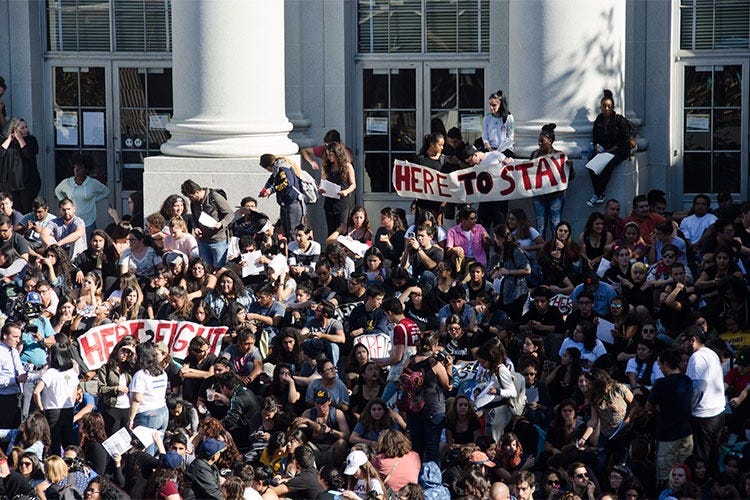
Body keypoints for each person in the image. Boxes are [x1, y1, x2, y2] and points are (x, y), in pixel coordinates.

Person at [646, 348, 694, 486]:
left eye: (660, 365)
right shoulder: (687, 381)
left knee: (667, 476)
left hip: (667, 435)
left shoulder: (661, 383)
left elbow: (648, 406)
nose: (660, 368)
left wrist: (658, 407)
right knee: (684, 473)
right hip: (686, 433)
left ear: (666, 363)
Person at [681, 325, 725, 474]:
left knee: (702, 458)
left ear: (692, 340)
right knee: (713, 455)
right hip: (717, 413)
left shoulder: (697, 357)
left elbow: (698, 388)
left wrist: (687, 409)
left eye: (684, 341)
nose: (682, 345)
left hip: (704, 416)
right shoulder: (711, 354)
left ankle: (704, 484)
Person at [586, 89, 633, 207]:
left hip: (619, 150)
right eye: (604, 106)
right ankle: (599, 193)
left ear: (613, 107)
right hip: (604, 150)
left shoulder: (619, 120)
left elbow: (624, 139)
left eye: (609, 106)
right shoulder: (599, 120)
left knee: (608, 165)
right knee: (591, 164)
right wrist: (597, 146)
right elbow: (595, 137)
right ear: (601, 107)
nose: (606, 109)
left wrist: (610, 150)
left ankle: (597, 193)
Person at [32, 342, 78, 456]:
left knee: (54, 443)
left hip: (52, 410)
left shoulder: (50, 373)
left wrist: (40, 407)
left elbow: (36, 392)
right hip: (68, 409)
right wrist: (71, 404)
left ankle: (55, 464)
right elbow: (74, 391)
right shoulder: (72, 372)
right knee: (67, 441)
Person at [181, 179, 233, 269]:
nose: (190, 199)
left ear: (197, 192)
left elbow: (230, 214)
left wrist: (221, 223)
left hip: (218, 240)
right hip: (203, 241)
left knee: (219, 268)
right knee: (205, 268)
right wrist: (195, 228)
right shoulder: (194, 203)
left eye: (191, 197)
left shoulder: (215, 197)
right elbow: (194, 217)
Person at [54, 155, 110, 236]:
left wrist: (95, 200)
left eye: (80, 168)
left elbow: (106, 191)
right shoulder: (67, 182)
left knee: (90, 242)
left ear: (86, 169)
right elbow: (57, 190)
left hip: (89, 222)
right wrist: (65, 202)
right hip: (72, 221)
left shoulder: (92, 183)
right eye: (75, 167)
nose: (76, 170)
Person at [128, 342, 169, 452]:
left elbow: (137, 399)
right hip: (163, 412)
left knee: (146, 453)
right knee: (157, 447)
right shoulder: (162, 372)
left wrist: (131, 419)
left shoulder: (140, 375)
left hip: (147, 414)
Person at [531, 123, 568, 239]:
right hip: (539, 196)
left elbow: (569, 177)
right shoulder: (534, 155)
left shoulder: (559, 156)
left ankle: (556, 249)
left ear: (550, 141)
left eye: (542, 140)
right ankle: (541, 250)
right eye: (538, 140)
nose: (539, 143)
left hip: (555, 196)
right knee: (540, 227)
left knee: (555, 225)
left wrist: (570, 168)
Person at [258, 154, 306, 241]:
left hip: (293, 202)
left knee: (292, 231)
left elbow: (287, 183)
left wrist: (272, 190)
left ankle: (294, 248)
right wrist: (264, 189)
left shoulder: (282, 168)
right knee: (285, 231)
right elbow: (271, 180)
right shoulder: (277, 169)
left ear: (268, 166)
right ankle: (288, 247)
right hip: (285, 203)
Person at [0, 118, 40, 214]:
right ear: (14, 129)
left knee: (26, 210)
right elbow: (1, 153)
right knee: (12, 210)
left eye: (26, 127)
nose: (26, 130)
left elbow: (28, 153)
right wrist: (9, 139)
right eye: (22, 128)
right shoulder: (5, 141)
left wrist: (20, 139)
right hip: (9, 184)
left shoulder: (31, 140)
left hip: (26, 183)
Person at [320, 142, 356, 235]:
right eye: (328, 155)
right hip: (329, 201)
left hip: (342, 201)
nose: (329, 157)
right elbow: (323, 181)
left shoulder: (347, 166)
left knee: (341, 228)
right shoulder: (327, 167)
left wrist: (346, 191)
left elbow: (353, 184)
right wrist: (321, 188)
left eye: (331, 155)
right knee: (331, 230)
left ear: (337, 154)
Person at [0, 321, 26, 428]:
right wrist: (15, 380)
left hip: (17, 396)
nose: (18, 340)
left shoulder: (14, 350)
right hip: (4, 398)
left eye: (19, 337)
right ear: (5, 336)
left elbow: (20, 371)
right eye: (15, 337)